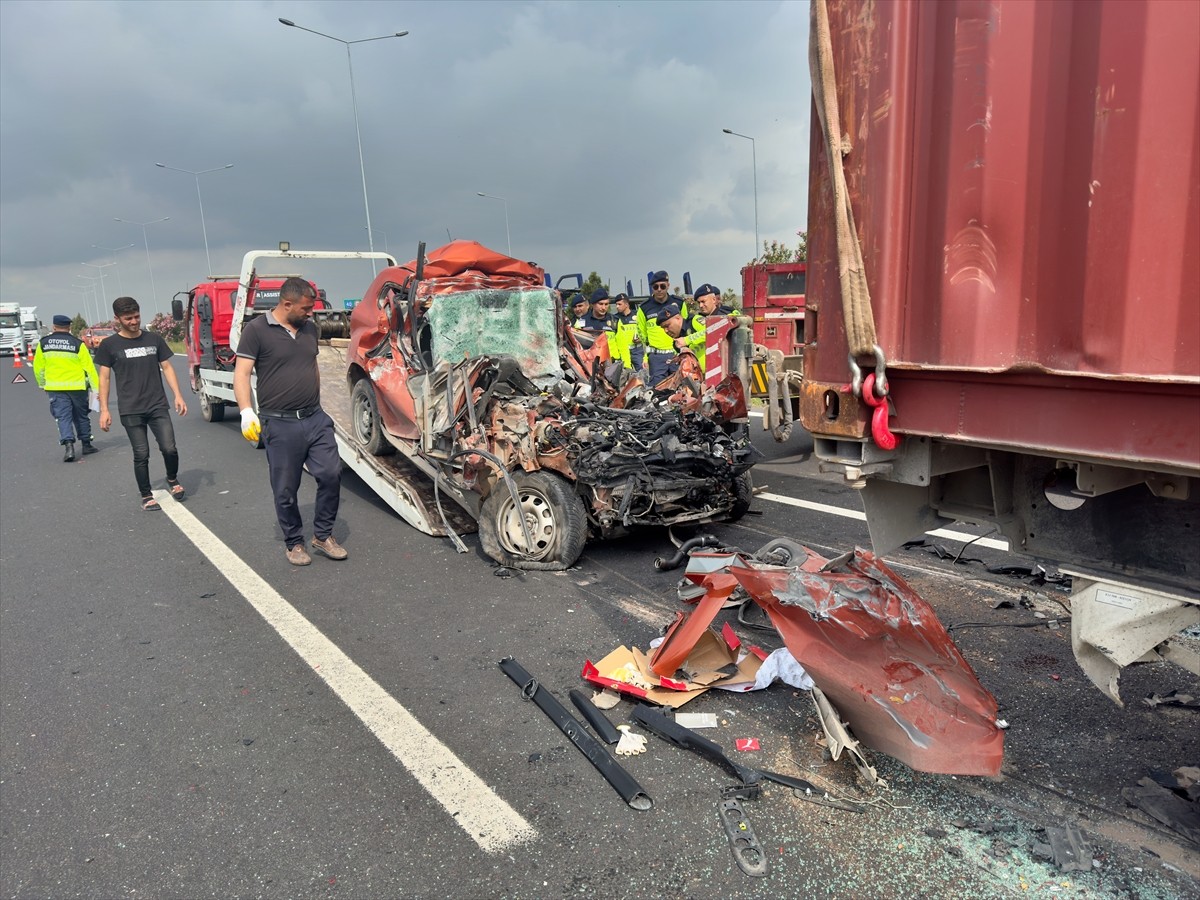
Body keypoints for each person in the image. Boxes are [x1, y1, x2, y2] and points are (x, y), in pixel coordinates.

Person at [234, 276, 346, 566]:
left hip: (314, 418)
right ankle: (294, 542)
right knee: (285, 488)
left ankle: (322, 535)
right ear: (286, 304)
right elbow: (242, 374)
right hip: (279, 423)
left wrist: (321, 404)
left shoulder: (309, 328)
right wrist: (246, 411)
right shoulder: (256, 330)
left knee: (331, 474)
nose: (311, 313)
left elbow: (312, 366)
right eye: (306, 308)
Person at [95, 297, 188, 511]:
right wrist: (105, 410)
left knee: (169, 448)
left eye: (136, 316)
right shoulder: (109, 345)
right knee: (141, 453)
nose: (134, 321)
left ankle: (172, 479)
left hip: (157, 405)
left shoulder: (153, 339)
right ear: (117, 319)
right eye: (128, 318)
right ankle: (146, 495)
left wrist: (178, 395)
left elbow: (167, 368)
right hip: (130, 409)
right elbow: (104, 378)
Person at [33, 314, 101, 462]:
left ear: (53, 327)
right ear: (69, 327)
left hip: (55, 388)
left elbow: (38, 368)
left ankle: (69, 447)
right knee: (81, 416)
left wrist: (42, 383)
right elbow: (90, 368)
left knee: (63, 417)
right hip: (77, 387)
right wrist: (96, 389)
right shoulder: (78, 344)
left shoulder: (43, 344)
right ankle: (86, 444)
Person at [637, 270, 688, 384]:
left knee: (682, 388)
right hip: (656, 358)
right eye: (656, 287)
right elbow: (642, 334)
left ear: (668, 286)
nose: (659, 289)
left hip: (677, 354)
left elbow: (685, 326)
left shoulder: (679, 303)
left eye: (662, 286)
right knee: (658, 392)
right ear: (652, 288)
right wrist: (646, 357)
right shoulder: (644, 308)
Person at [683, 283, 739, 372]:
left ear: (713, 300)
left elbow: (713, 330)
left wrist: (687, 339)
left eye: (703, 301)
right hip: (709, 368)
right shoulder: (699, 318)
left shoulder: (726, 313)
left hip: (729, 366)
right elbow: (710, 332)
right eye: (698, 303)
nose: (700, 306)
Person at [611, 292, 644, 373]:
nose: (617, 307)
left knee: (641, 372)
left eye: (619, 304)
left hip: (637, 350)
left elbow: (644, 329)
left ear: (626, 304)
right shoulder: (614, 318)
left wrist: (641, 338)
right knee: (624, 373)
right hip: (623, 352)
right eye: (616, 304)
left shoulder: (637, 315)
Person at [655, 303, 687, 378]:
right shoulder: (676, 343)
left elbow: (711, 330)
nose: (666, 331)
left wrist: (688, 340)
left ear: (678, 318)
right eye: (663, 328)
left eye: (667, 326)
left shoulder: (693, 322)